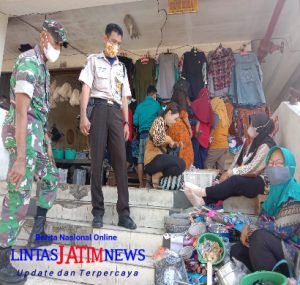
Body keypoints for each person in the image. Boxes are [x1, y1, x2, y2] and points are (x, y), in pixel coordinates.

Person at [0, 19, 68, 284]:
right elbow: (21, 110)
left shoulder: (43, 67)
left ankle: (36, 234)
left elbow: (39, 114)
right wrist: (19, 157)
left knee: (50, 178)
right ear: (43, 37)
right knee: (19, 194)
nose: (57, 48)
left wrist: (45, 144)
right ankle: (3, 260)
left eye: (60, 44)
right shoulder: (29, 62)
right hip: (22, 133)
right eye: (55, 42)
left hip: (34, 134)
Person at [79, 23, 136, 230]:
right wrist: (84, 115)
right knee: (96, 162)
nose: (115, 46)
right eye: (113, 41)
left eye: (119, 43)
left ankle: (124, 213)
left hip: (115, 114)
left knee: (121, 161)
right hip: (99, 110)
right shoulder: (93, 61)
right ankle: (98, 212)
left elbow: (124, 97)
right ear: (105, 38)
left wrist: (127, 121)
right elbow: (86, 88)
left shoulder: (121, 67)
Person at [231, 147, 300, 276]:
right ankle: (265, 276)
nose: (273, 167)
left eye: (279, 163)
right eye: (270, 163)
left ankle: (271, 279)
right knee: (237, 250)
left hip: (294, 254)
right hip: (276, 247)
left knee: (259, 238)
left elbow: (281, 230)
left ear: (289, 167)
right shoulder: (275, 190)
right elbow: (262, 219)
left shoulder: (294, 194)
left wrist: (250, 229)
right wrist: (248, 228)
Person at [184, 112, 276, 206]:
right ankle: (203, 201)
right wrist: (231, 172)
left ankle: (203, 192)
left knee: (235, 180)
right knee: (229, 180)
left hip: (263, 184)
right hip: (254, 178)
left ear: (259, 128)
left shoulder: (266, 145)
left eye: (252, 125)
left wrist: (231, 172)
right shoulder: (257, 141)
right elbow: (246, 163)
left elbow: (253, 168)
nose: (250, 127)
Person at [144, 102, 186, 188]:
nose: (174, 122)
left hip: (157, 160)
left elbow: (167, 144)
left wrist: (176, 144)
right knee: (181, 164)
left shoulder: (165, 126)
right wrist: (170, 140)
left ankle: (157, 176)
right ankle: (158, 176)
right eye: (175, 119)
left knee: (180, 166)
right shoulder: (159, 120)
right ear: (169, 113)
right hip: (152, 160)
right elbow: (157, 140)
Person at [133, 85, 161, 187]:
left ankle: (141, 184)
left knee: (140, 160)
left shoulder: (139, 106)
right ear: (154, 94)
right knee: (151, 159)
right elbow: (161, 118)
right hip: (152, 136)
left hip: (142, 136)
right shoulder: (156, 104)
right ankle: (149, 184)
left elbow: (135, 121)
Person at [168, 87, 194, 169]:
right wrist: (189, 128)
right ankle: (184, 170)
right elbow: (184, 115)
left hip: (171, 129)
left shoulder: (170, 104)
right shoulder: (181, 103)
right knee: (185, 151)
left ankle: (178, 170)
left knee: (175, 151)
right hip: (181, 130)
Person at [204, 97, 230, 171]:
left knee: (207, 164)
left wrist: (209, 137)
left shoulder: (216, 114)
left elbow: (214, 127)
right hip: (224, 145)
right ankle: (219, 182)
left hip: (217, 144)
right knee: (220, 168)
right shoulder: (225, 115)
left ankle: (208, 182)